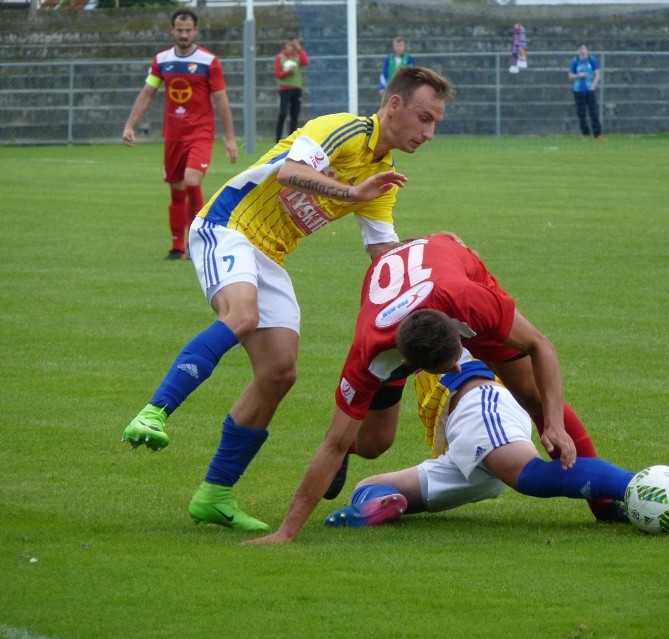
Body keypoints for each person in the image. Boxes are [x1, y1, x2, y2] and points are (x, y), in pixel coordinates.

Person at [120, 67, 455, 533]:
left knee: (280, 372)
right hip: (227, 226)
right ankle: (155, 411)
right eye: (424, 118)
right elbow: (292, 173)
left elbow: (384, 255)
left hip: (270, 256)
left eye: (435, 122)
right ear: (394, 105)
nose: (429, 133)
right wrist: (350, 191)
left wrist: (438, 249)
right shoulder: (343, 129)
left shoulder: (381, 178)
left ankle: (214, 494)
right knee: (242, 315)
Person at [246, 233, 626, 545]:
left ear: (459, 331)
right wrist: (286, 532)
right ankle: (359, 452)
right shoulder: (368, 355)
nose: (460, 365)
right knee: (374, 443)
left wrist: (554, 423)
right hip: (397, 304)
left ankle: (605, 504)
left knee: (529, 393)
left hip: (448, 273)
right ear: (409, 366)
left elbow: (541, 345)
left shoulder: (471, 302)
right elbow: (329, 444)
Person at [322, 350, 637, 529]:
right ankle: (379, 505)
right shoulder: (412, 334)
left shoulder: (456, 318)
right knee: (367, 487)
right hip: (464, 444)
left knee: (531, 476)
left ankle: (637, 487)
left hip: (482, 407)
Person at [122, 8, 239, 261]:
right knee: (176, 189)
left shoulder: (209, 61)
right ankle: (177, 247)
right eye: (180, 30)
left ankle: (198, 241)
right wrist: (130, 124)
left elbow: (221, 99)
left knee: (192, 181)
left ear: (196, 31)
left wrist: (229, 138)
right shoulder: (162, 60)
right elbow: (148, 93)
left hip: (200, 133)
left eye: (188, 30)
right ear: (172, 30)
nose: (184, 34)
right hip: (173, 135)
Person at [274, 38, 310, 141]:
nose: (292, 48)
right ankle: (277, 139)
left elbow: (305, 62)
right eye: (290, 45)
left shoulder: (297, 57)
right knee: (283, 113)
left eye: (293, 46)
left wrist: (300, 48)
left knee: (295, 115)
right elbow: (278, 74)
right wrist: (288, 72)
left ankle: (291, 140)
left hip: (296, 89)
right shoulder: (280, 58)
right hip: (285, 89)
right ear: (286, 46)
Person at [568, 43, 603, 141]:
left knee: (593, 113)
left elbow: (597, 74)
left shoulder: (592, 60)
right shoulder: (575, 61)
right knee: (581, 114)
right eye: (580, 49)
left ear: (587, 50)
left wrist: (593, 86)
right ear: (578, 50)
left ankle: (598, 134)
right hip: (578, 90)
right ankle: (585, 134)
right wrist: (579, 75)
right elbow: (570, 75)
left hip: (589, 90)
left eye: (584, 49)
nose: (583, 51)